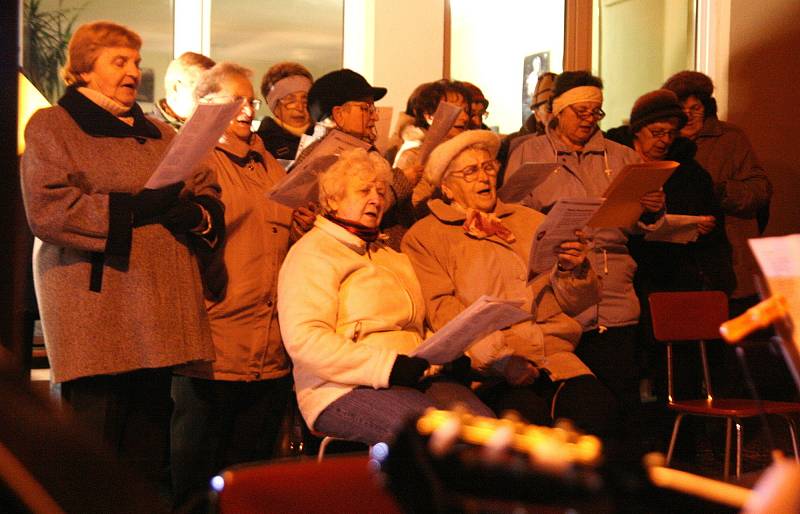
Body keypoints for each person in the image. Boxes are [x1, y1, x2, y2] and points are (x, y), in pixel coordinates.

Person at [20, 21, 222, 489]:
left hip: (158, 303)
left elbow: (203, 183)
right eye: (120, 61)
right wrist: (133, 208)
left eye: (136, 61)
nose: (134, 71)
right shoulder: (55, 125)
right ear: (85, 70)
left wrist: (196, 212)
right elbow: (49, 210)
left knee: (147, 451)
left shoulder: (156, 131)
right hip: (98, 306)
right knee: (94, 449)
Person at [402, 130, 618, 436]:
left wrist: (575, 268)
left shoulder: (529, 220)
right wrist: (502, 362)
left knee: (599, 411)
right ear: (448, 189)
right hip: (488, 368)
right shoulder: (426, 236)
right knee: (527, 424)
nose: (484, 178)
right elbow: (446, 316)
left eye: (488, 167)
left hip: (553, 354)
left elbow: (575, 303)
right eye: (470, 171)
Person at [277, 148, 494, 445]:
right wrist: (388, 367)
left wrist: (452, 358)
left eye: (380, 191)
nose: (376, 199)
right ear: (333, 201)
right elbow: (306, 341)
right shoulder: (312, 253)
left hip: (412, 377)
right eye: (364, 191)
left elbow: (418, 329)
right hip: (340, 388)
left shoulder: (391, 255)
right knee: (434, 440)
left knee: (489, 437)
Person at [505, 71, 666, 445]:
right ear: (558, 111)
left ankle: (621, 484)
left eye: (596, 112)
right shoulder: (530, 152)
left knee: (620, 400)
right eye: (581, 110)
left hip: (613, 291)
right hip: (555, 291)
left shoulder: (622, 155)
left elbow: (641, 226)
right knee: (576, 407)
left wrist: (652, 209)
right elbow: (511, 214)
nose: (589, 119)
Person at [169, 62, 304, 507]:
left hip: (268, 343)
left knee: (249, 474)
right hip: (215, 340)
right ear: (206, 105)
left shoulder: (268, 163)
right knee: (198, 469)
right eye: (234, 100)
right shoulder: (195, 158)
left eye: (250, 100)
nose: (247, 109)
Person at [606, 90, 736, 448]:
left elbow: (710, 216)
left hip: (677, 271)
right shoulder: (614, 159)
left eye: (670, 133)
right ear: (637, 130)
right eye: (656, 133)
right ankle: (651, 442)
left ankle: (688, 443)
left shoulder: (688, 170)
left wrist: (697, 224)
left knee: (684, 367)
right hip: (630, 274)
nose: (664, 140)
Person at [662, 71, 772, 315]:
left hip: (730, 256)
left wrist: (721, 191)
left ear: (707, 106)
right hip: (681, 258)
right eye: (682, 108)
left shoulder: (730, 139)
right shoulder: (663, 143)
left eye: (696, 107)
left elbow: (760, 190)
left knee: (729, 336)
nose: (688, 115)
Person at [497, 72, 557, 184]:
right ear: (537, 114)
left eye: (560, 109)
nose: (556, 115)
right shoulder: (512, 144)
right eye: (549, 109)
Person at [256, 61, 313, 161]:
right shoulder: (260, 144)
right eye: (290, 100)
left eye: (305, 99)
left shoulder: (326, 137)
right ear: (274, 107)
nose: (300, 107)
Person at [152, 51, 215, 130]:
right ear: (175, 88)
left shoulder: (215, 130)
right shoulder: (145, 132)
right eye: (202, 90)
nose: (210, 100)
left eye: (213, 92)